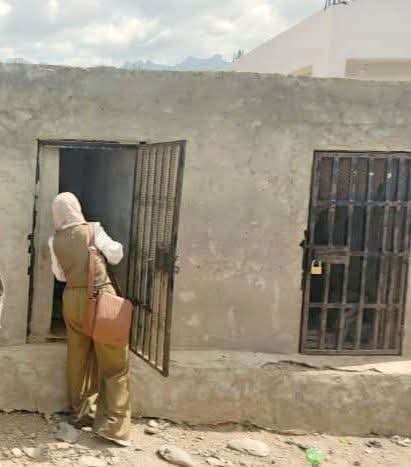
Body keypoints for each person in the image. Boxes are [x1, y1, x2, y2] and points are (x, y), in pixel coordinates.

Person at [49, 192, 131, 447]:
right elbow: (116, 254)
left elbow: (60, 275)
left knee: (78, 357)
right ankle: (114, 426)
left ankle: (81, 413)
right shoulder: (93, 229)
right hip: (99, 297)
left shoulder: (54, 240)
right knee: (115, 362)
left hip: (72, 299)